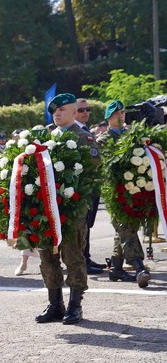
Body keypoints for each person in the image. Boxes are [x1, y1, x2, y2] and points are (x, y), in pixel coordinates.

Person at [37, 93, 101, 325]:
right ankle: (55, 305)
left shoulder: (84, 138)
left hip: (71, 209)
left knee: (73, 256)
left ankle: (75, 306)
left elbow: (91, 173)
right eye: (54, 110)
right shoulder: (45, 136)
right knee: (47, 256)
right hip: (46, 210)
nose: (57, 113)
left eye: (62, 109)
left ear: (74, 112)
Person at [97, 100, 150, 288]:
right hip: (115, 192)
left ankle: (117, 268)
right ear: (108, 117)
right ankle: (138, 267)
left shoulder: (131, 136)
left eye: (122, 113)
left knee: (126, 228)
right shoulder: (103, 140)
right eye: (117, 113)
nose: (121, 116)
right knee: (125, 227)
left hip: (134, 189)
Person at [76, 98, 104, 274]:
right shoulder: (74, 131)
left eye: (88, 109)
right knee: (82, 225)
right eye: (81, 110)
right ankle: (82, 261)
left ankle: (86, 257)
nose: (85, 112)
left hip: (92, 185)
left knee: (88, 225)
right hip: (82, 187)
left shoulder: (85, 130)